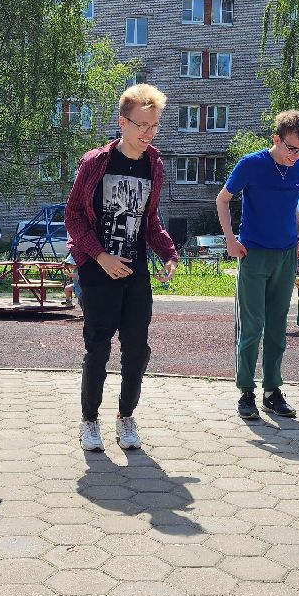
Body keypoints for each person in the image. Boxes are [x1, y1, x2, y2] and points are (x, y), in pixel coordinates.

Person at [64, 83, 179, 452]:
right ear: (122, 122)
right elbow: (74, 216)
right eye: (142, 125)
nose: (149, 133)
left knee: (137, 347)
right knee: (97, 348)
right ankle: (89, 421)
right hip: (98, 268)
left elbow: (150, 218)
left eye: (154, 125)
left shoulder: (154, 163)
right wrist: (100, 256)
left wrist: (169, 253)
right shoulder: (96, 162)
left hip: (135, 271)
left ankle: (125, 417)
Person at [217, 110, 299, 422]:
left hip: (286, 255)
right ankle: (246, 392)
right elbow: (222, 199)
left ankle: (273, 391)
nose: (296, 156)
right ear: (276, 139)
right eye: (290, 149)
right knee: (252, 326)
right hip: (253, 253)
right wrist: (230, 239)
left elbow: (292, 203)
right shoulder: (252, 164)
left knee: (276, 328)